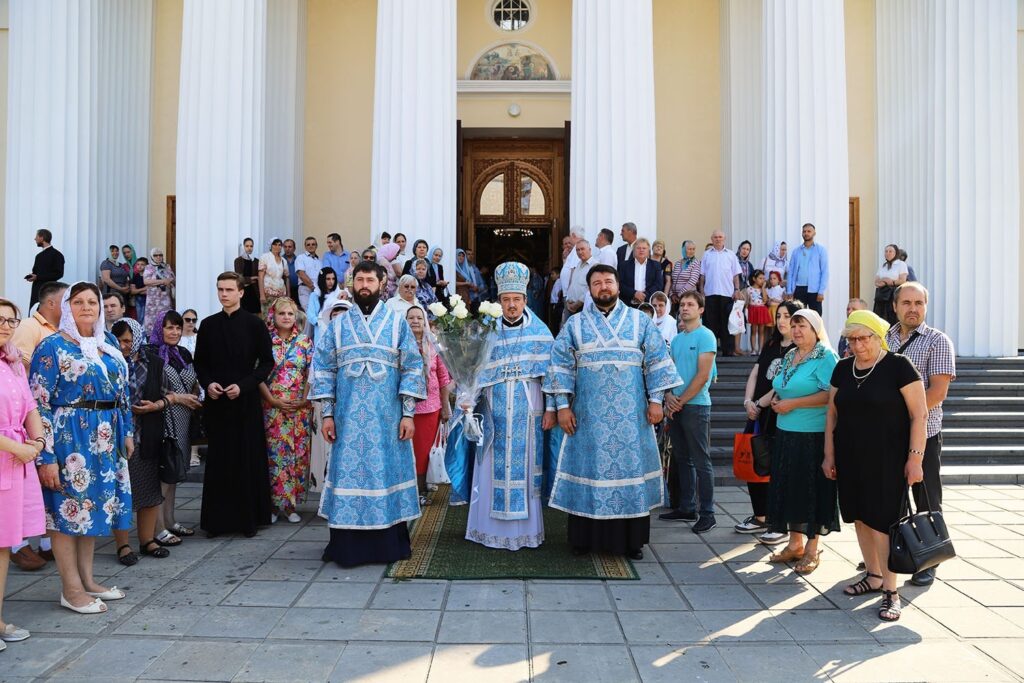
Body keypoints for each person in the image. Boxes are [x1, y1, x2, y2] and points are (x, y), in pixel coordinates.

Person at [544, 265, 682, 560]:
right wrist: (563, 407)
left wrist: (656, 401)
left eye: (608, 281)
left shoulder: (639, 321)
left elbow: (658, 360)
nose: (603, 287)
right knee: (588, 471)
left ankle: (631, 542)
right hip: (587, 418)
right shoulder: (575, 324)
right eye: (596, 283)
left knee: (627, 471)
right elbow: (559, 366)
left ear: (619, 286)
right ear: (589, 289)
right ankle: (583, 539)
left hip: (631, 418)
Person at [309, 261, 426, 567]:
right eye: (359, 279)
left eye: (370, 280)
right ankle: (347, 547)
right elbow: (323, 369)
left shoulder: (397, 323)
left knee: (385, 474)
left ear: (382, 283)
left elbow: (413, 367)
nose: (364, 284)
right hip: (347, 421)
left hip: (387, 421)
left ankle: (388, 545)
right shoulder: (338, 325)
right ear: (353, 283)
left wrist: (408, 414)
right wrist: (328, 415)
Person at [30, 281, 132, 613]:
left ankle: (88, 581)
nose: (86, 307)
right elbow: (39, 403)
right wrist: (45, 455)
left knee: (91, 510)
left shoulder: (109, 343)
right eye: (78, 301)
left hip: (106, 437)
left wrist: (127, 432)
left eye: (92, 301)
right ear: (66, 307)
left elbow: (123, 393)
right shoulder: (53, 346)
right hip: (69, 437)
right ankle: (70, 589)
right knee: (66, 513)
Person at [825, 309, 927, 622]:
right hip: (849, 457)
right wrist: (829, 455)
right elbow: (832, 414)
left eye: (862, 338)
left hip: (888, 459)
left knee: (884, 523)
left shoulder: (898, 366)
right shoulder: (843, 368)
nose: (856, 345)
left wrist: (915, 458)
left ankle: (891, 591)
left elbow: (919, 415)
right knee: (860, 517)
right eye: (851, 339)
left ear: (877, 336)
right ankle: (873, 575)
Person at [465, 262, 557, 549]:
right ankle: (487, 529)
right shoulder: (486, 332)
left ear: (525, 300)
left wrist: (552, 409)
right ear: (499, 301)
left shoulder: (541, 333)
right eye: (506, 300)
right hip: (493, 408)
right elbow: (471, 371)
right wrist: (468, 399)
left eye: (517, 299)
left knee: (527, 466)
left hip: (528, 409)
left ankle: (523, 532)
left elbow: (553, 376)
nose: (512, 305)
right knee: (490, 463)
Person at [884, 281, 956, 587]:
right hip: (888, 434)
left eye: (919, 303)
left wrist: (903, 415)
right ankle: (894, 552)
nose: (913, 309)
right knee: (890, 496)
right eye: (907, 303)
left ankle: (930, 558)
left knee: (926, 497)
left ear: (925, 307)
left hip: (924, 433)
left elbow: (937, 392)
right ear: (895, 306)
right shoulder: (885, 337)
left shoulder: (937, 341)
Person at [194, 273, 274, 537]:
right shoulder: (207, 325)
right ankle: (217, 522)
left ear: (241, 292)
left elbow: (266, 362)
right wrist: (209, 384)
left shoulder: (255, 324)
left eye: (229, 289)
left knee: (246, 458)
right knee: (219, 461)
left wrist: (245, 385)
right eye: (220, 289)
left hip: (245, 401)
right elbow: (200, 363)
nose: (224, 294)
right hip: (218, 403)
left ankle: (248, 520)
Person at [763, 309, 839, 575]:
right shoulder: (789, 355)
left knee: (811, 491)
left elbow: (831, 394)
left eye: (801, 326)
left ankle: (811, 548)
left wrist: (794, 403)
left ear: (816, 329)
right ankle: (794, 544)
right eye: (793, 325)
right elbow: (781, 385)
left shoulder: (825, 356)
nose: (795, 330)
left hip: (813, 435)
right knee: (790, 487)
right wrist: (776, 401)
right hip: (786, 432)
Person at [8, 282, 65, 571]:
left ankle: (43, 541)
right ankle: (17, 545)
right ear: (52, 303)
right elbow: (21, 367)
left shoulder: (60, 331)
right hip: (17, 417)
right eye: (67, 300)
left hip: (38, 417)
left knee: (37, 485)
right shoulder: (30, 326)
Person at [737, 300, 804, 544]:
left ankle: (779, 523)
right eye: (779, 316)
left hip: (779, 414)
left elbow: (782, 386)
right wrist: (748, 402)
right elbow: (756, 373)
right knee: (754, 464)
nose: (782, 321)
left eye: (788, 316)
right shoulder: (772, 343)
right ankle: (760, 516)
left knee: (777, 469)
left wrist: (760, 404)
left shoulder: (798, 350)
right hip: (757, 413)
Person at [0, 297, 47, 643]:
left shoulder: (14, 361)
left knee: (4, 545)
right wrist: (18, 448)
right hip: (10, 453)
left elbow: (30, 405)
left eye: (11, 320)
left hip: (15, 464)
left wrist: (39, 441)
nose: (5, 326)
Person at [110, 318, 170, 566]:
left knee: (148, 489)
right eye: (120, 341)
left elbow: (167, 395)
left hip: (148, 433)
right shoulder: (108, 361)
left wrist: (155, 405)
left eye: (128, 340)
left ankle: (147, 539)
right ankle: (123, 545)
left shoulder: (153, 362)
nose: (125, 346)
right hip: (118, 436)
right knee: (121, 493)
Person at [661, 291, 718, 533]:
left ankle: (708, 513)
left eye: (690, 304)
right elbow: (670, 372)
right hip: (677, 405)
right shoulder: (676, 339)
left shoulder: (706, 336)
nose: (685, 308)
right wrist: (668, 397)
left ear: (701, 309)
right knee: (682, 458)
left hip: (696, 406)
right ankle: (687, 507)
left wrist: (680, 400)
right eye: (682, 304)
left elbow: (703, 375)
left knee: (701, 460)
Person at [148, 311, 202, 545]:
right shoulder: (150, 354)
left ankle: (170, 520)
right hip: (163, 418)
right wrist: (179, 398)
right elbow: (149, 390)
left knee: (174, 473)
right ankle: (157, 527)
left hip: (184, 419)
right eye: (169, 327)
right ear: (160, 328)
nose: (174, 332)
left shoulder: (183, 354)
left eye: (178, 328)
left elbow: (193, 380)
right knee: (162, 473)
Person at [260, 298, 314, 524]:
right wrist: (272, 399)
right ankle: (273, 505)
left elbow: (312, 373)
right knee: (274, 456)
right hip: (272, 406)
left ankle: (291, 505)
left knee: (296, 455)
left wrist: (303, 399)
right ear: (273, 315)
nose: (286, 317)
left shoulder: (304, 342)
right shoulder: (264, 342)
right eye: (282, 313)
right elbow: (257, 374)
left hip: (298, 408)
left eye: (290, 314)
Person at [405, 306, 452, 504]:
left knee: (425, 451)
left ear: (425, 322)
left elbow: (443, 377)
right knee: (409, 450)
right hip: (406, 407)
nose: (415, 321)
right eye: (411, 318)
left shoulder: (433, 345)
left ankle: (421, 490)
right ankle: (410, 489)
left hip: (431, 407)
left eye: (419, 318)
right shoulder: (399, 344)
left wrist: (446, 406)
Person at [698, 230, 742, 355]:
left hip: (727, 294)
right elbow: (702, 276)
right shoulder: (706, 254)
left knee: (727, 323)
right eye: (715, 237)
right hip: (710, 294)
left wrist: (737, 290)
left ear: (724, 239)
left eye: (720, 237)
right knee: (710, 324)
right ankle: (710, 351)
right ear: (712, 239)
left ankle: (728, 352)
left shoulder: (731, 255)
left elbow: (735, 275)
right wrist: (702, 292)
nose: (718, 239)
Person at [13, 282, 67, 373]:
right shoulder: (28, 327)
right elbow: (19, 368)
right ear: (51, 304)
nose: (73, 306)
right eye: (67, 301)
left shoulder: (67, 330)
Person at [786, 224, 828, 315]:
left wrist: (821, 291)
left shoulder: (821, 250)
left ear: (814, 233)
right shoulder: (796, 251)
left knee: (816, 317)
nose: (806, 233)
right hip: (799, 289)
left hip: (814, 290)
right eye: (804, 231)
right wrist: (789, 290)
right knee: (799, 315)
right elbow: (791, 272)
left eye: (809, 231)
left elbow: (824, 271)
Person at [26, 229, 65, 309]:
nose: (35, 239)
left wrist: (38, 277)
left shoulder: (57, 255)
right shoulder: (39, 256)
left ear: (42, 238)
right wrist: (32, 276)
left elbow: (58, 274)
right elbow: (36, 272)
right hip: (37, 291)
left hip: (49, 291)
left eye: (36, 236)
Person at [619, 238, 664, 306]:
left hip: (648, 304)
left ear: (648, 251)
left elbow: (658, 284)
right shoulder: (624, 265)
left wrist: (644, 295)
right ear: (634, 250)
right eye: (638, 248)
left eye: (644, 248)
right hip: (628, 303)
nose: (641, 250)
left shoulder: (656, 265)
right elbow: (620, 284)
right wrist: (634, 293)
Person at [873, 244, 908, 325]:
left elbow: (903, 280)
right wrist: (885, 281)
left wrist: (891, 282)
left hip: (893, 295)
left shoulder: (901, 264)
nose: (887, 253)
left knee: (892, 318)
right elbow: (876, 282)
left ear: (896, 253)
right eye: (886, 251)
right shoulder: (883, 266)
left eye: (890, 251)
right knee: (880, 318)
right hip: (881, 296)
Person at [562, 239, 596, 324]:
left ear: (589, 250)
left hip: (582, 308)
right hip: (570, 306)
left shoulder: (595, 266)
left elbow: (590, 290)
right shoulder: (578, 264)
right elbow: (573, 284)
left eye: (582, 249)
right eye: (577, 250)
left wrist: (577, 304)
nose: (580, 252)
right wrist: (567, 301)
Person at [142, 248, 175, 337]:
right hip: (153, 299)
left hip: (164, 298)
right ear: (152, 257)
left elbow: (172, 278)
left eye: (160, 255)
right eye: (156, 255)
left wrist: (168, 280)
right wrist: (163, 281)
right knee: (152, 319)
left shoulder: (166, 266)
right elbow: (146, 281)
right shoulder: (149, 267)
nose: (158, 257)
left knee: (165, 317)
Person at [306, 267, 339, 343]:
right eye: (328, 279)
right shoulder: (314, 295)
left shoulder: (338, 294)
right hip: (320, 331)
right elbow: (310, 315)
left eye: (333, 279)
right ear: (322, 279)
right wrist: (321, 322)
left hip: (335, 330)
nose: (331, 282)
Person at [668, 240, 702, 316]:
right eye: (689, 249)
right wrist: (672, 294)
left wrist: (679, 295)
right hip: (675, 299)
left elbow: (692, 281)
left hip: (688, 297)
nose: (692, 251)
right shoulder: (678, 263)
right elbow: (672, 280)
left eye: (693, 249)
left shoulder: (696, 263)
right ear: (683, 249)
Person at [258, 239, 290, 317]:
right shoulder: (265, 257)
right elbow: (260, 276)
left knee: (278, 317)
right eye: (275, 244)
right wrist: (262, 294)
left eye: (279, 245)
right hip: (268, 293)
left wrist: (288, 295)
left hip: (281, 294)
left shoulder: (283, 261)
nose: (277, 247)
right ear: (271, 246)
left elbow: (287, 278)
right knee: (267, 317)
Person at [744, 270, 771, 356]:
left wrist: (763, 289)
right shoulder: (749, 289)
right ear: (754, 279)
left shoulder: (763, 289)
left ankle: (760, 349)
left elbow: (765, 300)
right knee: (753, 330)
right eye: (760, 278)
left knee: (761, 331)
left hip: (761, 310)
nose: (762, 280)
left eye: (763, 278)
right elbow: (747, 302)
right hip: (753, 310)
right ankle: (753, 349)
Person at [234, 238, 262, 314]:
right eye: (247, 246)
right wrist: (251, 278)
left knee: (254, 315)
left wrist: (250, 279)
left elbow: (259, 277)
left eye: (251, 246)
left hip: (254, 292)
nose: (249, 248)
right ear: (243, 247)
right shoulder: (238, 260)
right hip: (243, 291)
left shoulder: (256, 261)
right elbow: (239, 278)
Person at [295, 237, 322, 312]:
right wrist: (313, 287)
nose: (311, 246)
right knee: (308, 313)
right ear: (305, 246)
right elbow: (301, 274)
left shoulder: (319, 261)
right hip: (305, 289)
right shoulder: (301, 258)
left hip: (317, 290)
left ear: (316, 246)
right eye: (308, 244)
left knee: (317, 312)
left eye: (313, 244)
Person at [129, 257, 149, 324]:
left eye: (142, 264)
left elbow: (149, 291)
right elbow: (133, 291)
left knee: (147, 318)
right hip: (139, 299)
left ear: (147, 266)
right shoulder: (135, 276)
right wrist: (144, 289)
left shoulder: (150, 276)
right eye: (138, 264)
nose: (139, 266)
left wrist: (138, 291)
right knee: (140, 318)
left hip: (149, 299)